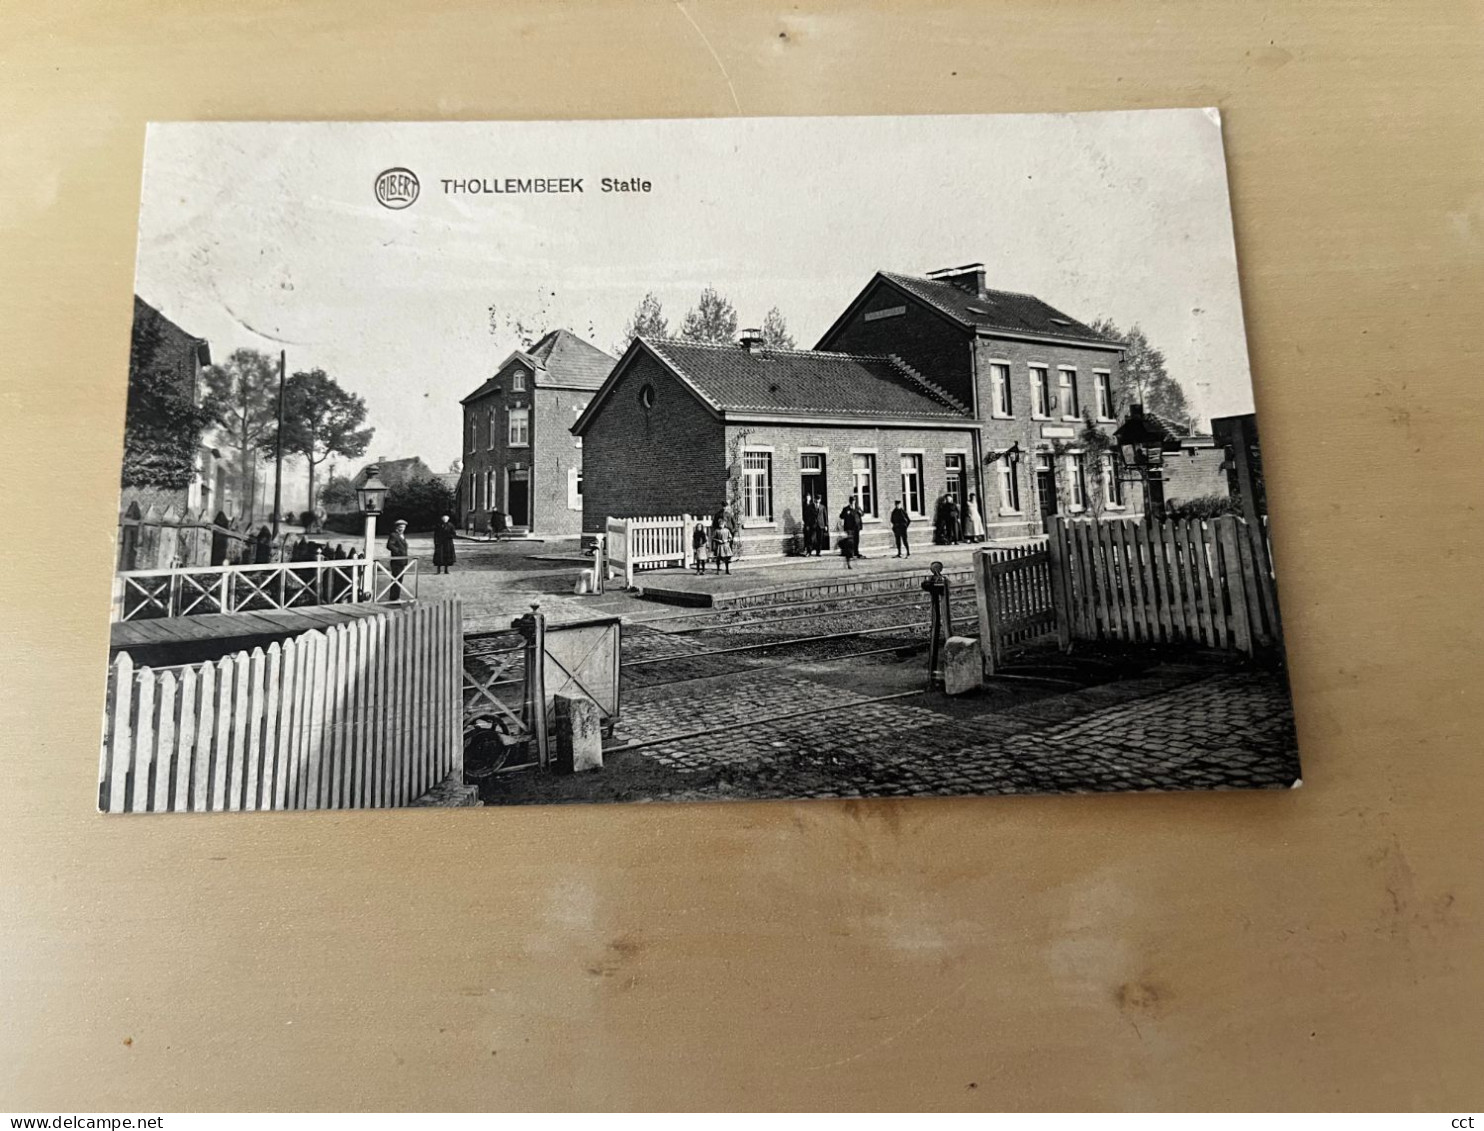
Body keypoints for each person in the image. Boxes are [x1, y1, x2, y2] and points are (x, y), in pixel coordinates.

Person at [386, 518, 410, 601]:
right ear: (397, 527)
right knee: (396, 579)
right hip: (396, 561)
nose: (402, 529)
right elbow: (389, 545)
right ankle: (394, 598)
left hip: (402, 560)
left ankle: (396, 597)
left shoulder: (402, 536)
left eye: (403, 527)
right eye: (401, 527)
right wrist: (398, 551)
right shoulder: (394, 535)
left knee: (399, 579)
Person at [839, 499, 863, 566]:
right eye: (852, 501)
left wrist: (860, 512)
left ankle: (856, 552)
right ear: (850, 502)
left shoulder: (857, 507)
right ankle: (851, 553)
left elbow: (862, 514)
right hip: (850, 528)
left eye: (854, 501)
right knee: (851, 541)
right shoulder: (846, 508)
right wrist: (846, 513)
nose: (853, 503)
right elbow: (841, 516)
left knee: (857, 540)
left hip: (857, 527)